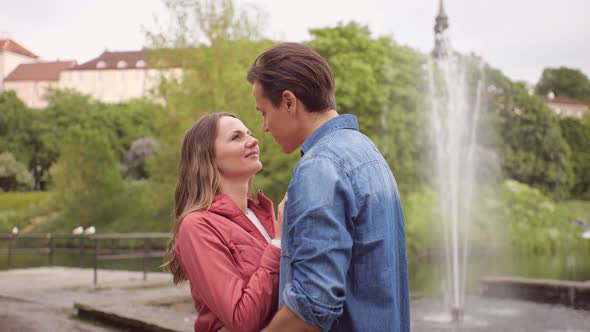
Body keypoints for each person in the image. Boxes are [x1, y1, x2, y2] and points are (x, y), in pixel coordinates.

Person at [247, 43, 410, 332]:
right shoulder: (366, 152)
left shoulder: (320, 166)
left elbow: (314, 303)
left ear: (288, 102)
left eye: (263, 113)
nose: (265, 127)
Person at [164, 112, 284, 332]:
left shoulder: (262, 216)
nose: (253, 140)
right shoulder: (197, 226)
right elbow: (242, 320)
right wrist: (278, 243)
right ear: (208, 157)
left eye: (249, 133)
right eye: (236, 137)